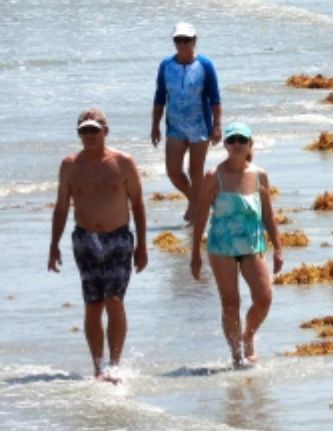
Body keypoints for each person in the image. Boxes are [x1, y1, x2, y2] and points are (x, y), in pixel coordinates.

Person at [48, 109, 149, 382]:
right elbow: (61, 208)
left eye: (94, 130)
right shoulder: (69, 165)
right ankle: (98, 366)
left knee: (114, 300)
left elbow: (138, 204)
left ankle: (115, 364)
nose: (89, 135)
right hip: (85, 239)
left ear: (105, 131)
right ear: (79, 133)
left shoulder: (123, 162)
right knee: (93, 304)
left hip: (118, 238)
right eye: (84, 130)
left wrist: (142, 245)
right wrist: (53, 245)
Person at [190, 122, 284, 366]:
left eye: (242, 140)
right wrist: (195, 254)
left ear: (250, 145)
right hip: (222, 247)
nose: (237, 145)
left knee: (264, 298)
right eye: (232, 140)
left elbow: (268, 215)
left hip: (253, 245)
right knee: (231, 304)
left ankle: (248, 336)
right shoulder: (214, 176)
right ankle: (237, 356)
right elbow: (200, 215)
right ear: (226, 145)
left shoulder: (259, 175)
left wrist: (278, 248)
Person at [151, 22, 221, 224]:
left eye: (186, 40)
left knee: (195, 170)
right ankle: (196, 200)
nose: (182, 44)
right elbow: (159, 97)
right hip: (175, 126)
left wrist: (216, 126)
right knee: (173, 170)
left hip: (200, 125)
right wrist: (155, 125)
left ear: (194, 41)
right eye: (178, 40)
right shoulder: (166, 65)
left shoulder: (205, 65)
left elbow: (214, 98)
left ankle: (196, 210)